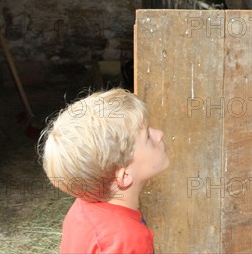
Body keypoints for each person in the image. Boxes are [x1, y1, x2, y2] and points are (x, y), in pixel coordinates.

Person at [39, 88, 169, 253]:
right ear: (124, 175)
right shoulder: (128, 241)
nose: (160, 134)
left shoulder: (81, 210)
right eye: (148, 138)